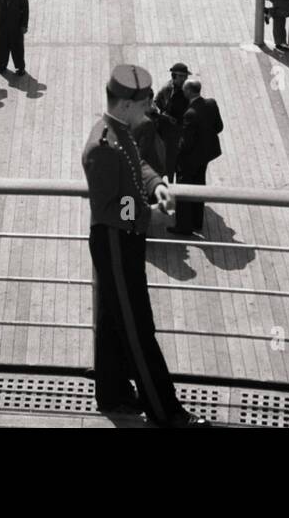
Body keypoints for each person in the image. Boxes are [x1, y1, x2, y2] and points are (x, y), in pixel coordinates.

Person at [81, 64, 207, 427]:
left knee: (111, 320)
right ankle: (166, 412)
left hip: (122, 242)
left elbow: (137, 166)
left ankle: (114, 393)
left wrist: (156, 186)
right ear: (125, 105)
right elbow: (107, 206)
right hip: (117, 241)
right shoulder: (102, 146)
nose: (148, 108)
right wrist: (146, 213)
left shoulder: (119, 130)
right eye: (144, 103)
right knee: (139, 331)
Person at [172, 76, 224, 237]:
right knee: (199, 186)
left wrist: (175, 153)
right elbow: (219, 127)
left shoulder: (190, 113)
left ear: (188, 91)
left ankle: (183, 226)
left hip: (190, 160)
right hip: (205, 155)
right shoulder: (211, 103)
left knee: (184, 190)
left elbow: (185, 144)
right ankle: (197, 221)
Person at [151, 62, 191, 184]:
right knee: (169, 162)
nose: (185, 79)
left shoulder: (187, 90)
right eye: (182, 77)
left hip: (182, 132)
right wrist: (166, 117)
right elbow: (155, 106)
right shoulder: (167, 89)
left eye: (186, 76)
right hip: (168, 133)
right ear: (174, 76)